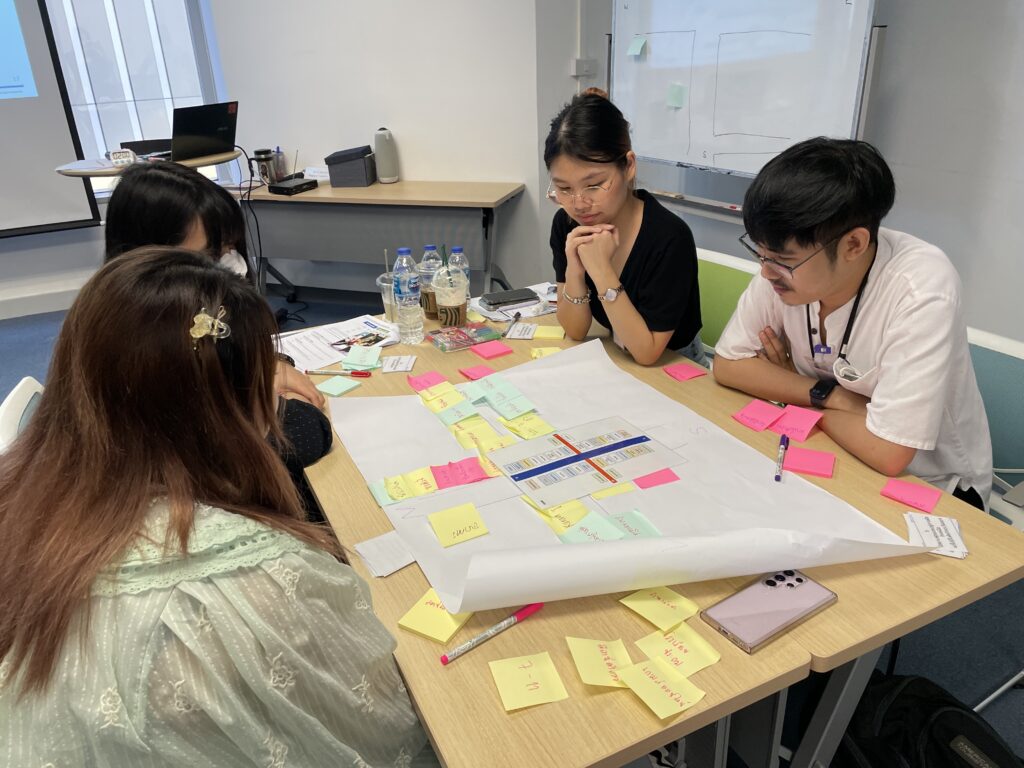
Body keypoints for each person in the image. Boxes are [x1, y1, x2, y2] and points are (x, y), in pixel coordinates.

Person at [0, 248, 439, 767]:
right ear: (217, 412)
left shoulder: (29, 494)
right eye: (262, 383)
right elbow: (390, 723)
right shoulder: (255, 579)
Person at [713, 137, 991, 507]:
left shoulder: (921, 288)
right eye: (759, 253)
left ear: (854, 245)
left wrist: (788, 391)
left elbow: (889, 452)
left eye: (780, 259)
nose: (765, 272)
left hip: (930, 485)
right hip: (834, 448)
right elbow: (728, 365)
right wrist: (830, 396)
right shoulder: (785, 268)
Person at [105, 161, 331, 513]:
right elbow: (257, 454)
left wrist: (271, 363)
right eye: (210, 255)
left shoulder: (151, 312)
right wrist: (287, 404)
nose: (230, 264)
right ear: (148, 254)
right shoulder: (148, 349)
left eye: (229, 248)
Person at [546, 89, 705, 366]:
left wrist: (600, 269)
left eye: (594, 185)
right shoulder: (567, 224)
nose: (579, 204)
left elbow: (647, 353)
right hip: (617, 357)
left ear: (628, 166)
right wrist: (575, 269)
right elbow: (575, 330)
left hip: (674, 365)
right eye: (564, 188)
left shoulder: (669, 237)